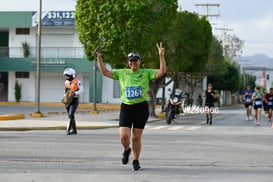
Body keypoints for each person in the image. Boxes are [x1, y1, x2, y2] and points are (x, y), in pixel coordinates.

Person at [96, 42, 166, 171]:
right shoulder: (122, 73)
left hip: (141, 108)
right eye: (131, 61)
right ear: (128, 63)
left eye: (136, 60)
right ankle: (126, 150)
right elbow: (105, 72)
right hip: (127, 108)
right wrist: (99, 57)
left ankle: (135, 160)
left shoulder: (146, 73)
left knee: (136, 137)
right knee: (124, 137)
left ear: (139, 62)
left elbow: (162, 71)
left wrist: (161, 56)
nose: (133, 63)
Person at [63, 68, 84, 135]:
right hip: (67, 100)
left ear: (72, 75)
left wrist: (75, 93)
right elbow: (65, 90)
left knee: (70, 114)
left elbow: (82, 90)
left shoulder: (78, 81)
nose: (66, 77)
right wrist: (65, 97)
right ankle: (74, 130)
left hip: (74, 100)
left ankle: (68, 130)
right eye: (66, 75)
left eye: (68, 75)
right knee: (71, 115)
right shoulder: (66, 82)